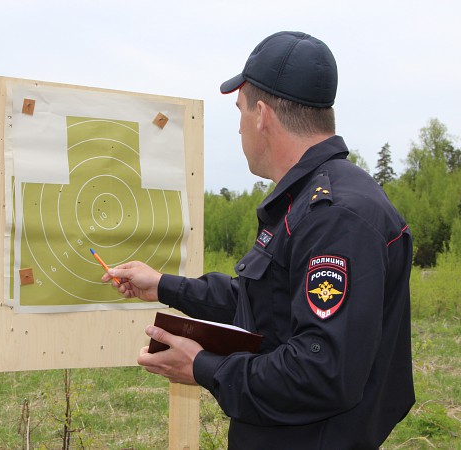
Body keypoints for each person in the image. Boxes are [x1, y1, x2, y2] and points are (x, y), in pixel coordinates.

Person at [103, 31, 415, 449]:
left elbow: (320, 373)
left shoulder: (335, 217)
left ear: (262, 115)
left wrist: (203, 367)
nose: (238, 128)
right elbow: (266, 302)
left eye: (240, 111)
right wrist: (163, 285)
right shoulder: (309, 201)